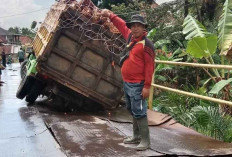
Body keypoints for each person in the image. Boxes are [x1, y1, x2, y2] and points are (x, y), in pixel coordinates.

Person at [99, 10, 155, 151]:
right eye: (133, 25)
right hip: (127, 82)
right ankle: (136, 136)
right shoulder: (131, 38)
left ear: (143, 28)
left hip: (138, 84)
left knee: (139, 111)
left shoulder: (147, 45)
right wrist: (110, 15)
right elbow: (121, 25)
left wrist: (147, 87)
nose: (135, 28)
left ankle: (145, 141)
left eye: (138, 25)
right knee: (131, 109)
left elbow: (149, 67)